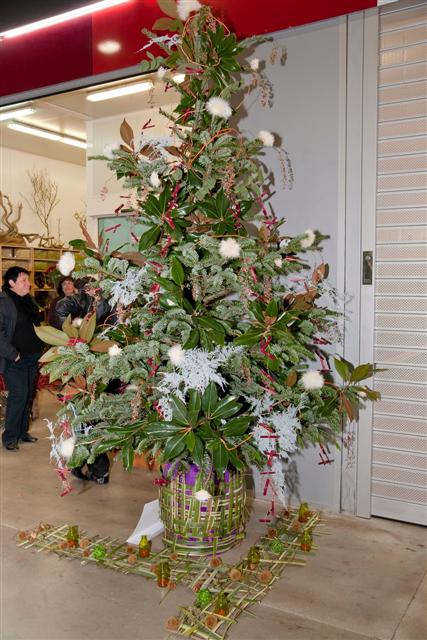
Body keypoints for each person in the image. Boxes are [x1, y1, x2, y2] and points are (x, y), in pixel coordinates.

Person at [0, 267, 44, 451]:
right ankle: (10, 436)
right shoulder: (3, 302)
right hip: (14, 360)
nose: (29, 283)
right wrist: (13, 354)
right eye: (24, 280)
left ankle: (22, 432)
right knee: (18, 396)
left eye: (28, 279)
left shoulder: (28, 300)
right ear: (11, 283)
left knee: (27, 396)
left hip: (31, 356)